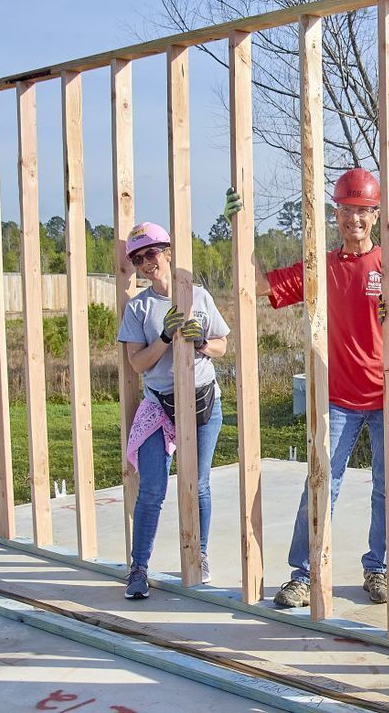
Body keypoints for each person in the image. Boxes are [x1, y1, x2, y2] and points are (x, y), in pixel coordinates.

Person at [225, 168, 389, 608]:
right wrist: (242, 231)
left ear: (374, 215)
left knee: (388, 487)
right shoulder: (320, 270)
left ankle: (379, 569)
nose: (355, 220)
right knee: (320, 484)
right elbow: (260, 286)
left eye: (363, 212)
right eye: (347, 211)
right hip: (338, 400)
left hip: (384, 397)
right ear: (337, 215)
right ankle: (304, 573)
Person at [118, 221, 230, 599]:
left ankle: (198, 554)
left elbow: (222, 346)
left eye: (152, 253)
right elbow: (138, 364)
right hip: (159, 407)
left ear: (166, 252)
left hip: (202, 402)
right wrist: (166, 337)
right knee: (151, 488)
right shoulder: (139, 308)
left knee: (198, 483)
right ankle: (139, 567)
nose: (147, 263)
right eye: (138, 259)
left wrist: (201, 342)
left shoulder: (197, 296)